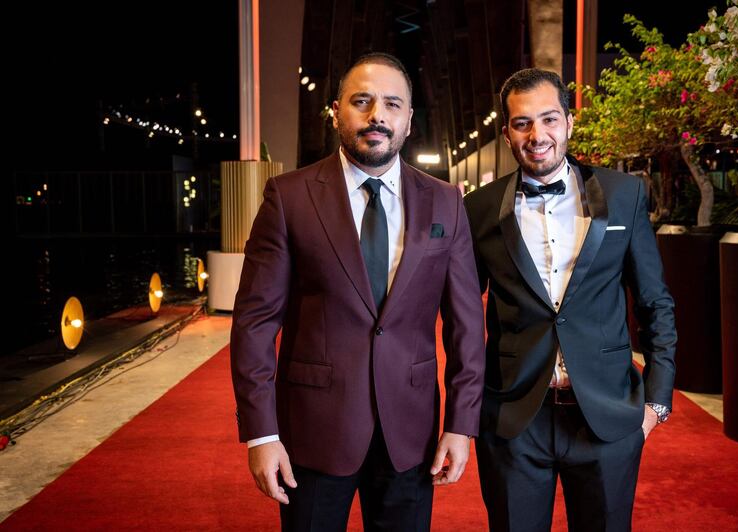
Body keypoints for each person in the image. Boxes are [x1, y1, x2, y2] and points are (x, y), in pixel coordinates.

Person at [230, 52, 485, 532]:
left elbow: (467, 325)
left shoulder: (446, 201)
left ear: (409, 120)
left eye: (392, 105)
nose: (377, 117)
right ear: (336, 112)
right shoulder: (288, 197)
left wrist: (460, 423)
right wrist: (260, 434)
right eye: (361, 101)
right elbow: (255, 323)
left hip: (411, 434)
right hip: (312, 431)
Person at [463, 68, 677, 532]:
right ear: (506, 133)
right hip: (515, 421)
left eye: (549, 119)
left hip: (607, 417)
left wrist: (656, 403)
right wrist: (467, 414)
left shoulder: (625, 195)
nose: (537, 135)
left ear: (569, 122)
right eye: (522, 123)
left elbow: (655, 302)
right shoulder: (478, 208)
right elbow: (461, 317)